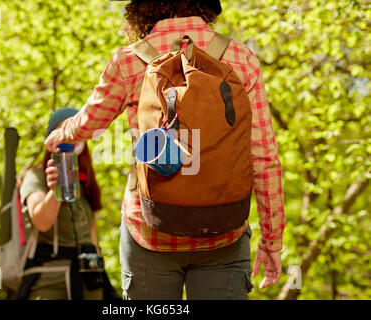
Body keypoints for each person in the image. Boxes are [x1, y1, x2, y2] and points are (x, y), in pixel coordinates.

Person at [45, 0, 285, 300]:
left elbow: (90, 123)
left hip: (149, 230)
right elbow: (263, 156)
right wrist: (272, 241)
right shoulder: (240, 58)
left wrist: (62, 132)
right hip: (223, 232)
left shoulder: (128, 61)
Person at [17, 107, 106, 300]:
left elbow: (92, 238)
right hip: (50, 278)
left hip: (89, 280)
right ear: (51, 140)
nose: (68, 137)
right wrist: (56, 190)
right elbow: (41, 222)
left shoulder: (86, 181)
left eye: (73, 131)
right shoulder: (35, 176)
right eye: (62, 132)